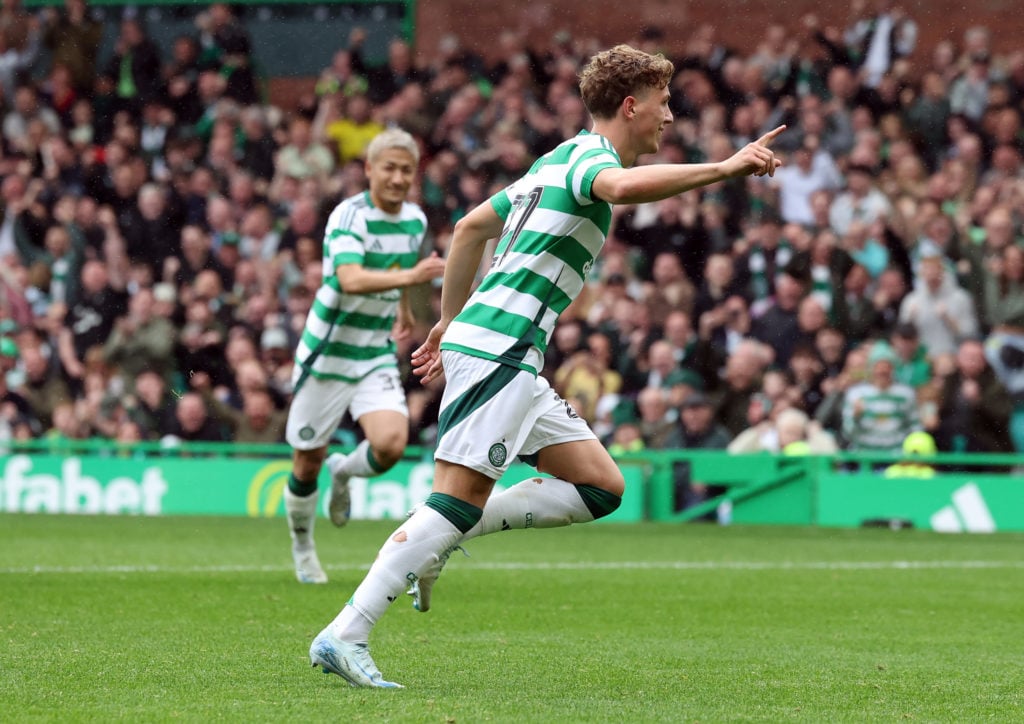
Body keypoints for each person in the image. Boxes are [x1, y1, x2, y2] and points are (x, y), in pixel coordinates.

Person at [307, 44, 784, 688]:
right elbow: (617, 188)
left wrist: (450, 320)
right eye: (664, 104)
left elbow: (471, 228)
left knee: (600, 488)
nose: (669, 118)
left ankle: (443, 539)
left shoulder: (554, 158)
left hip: (508, 353)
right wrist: (723, 169)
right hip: (500, 350)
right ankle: (347, 631)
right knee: (453, 500)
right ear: (629, 105)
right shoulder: (591, 161)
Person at [282, 128, 446, 585]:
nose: (397, 178)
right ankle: (303, 546)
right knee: (304, 462)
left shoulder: (413, 220)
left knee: (391, 445)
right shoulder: (348, 216)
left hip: (372, 350)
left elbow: (392, 273)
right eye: (388, 168)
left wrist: (399, 305)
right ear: (369, 169)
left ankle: (343, 472)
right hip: (328, 354)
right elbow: (350, 279)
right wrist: (414, 276)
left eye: (406, 171)